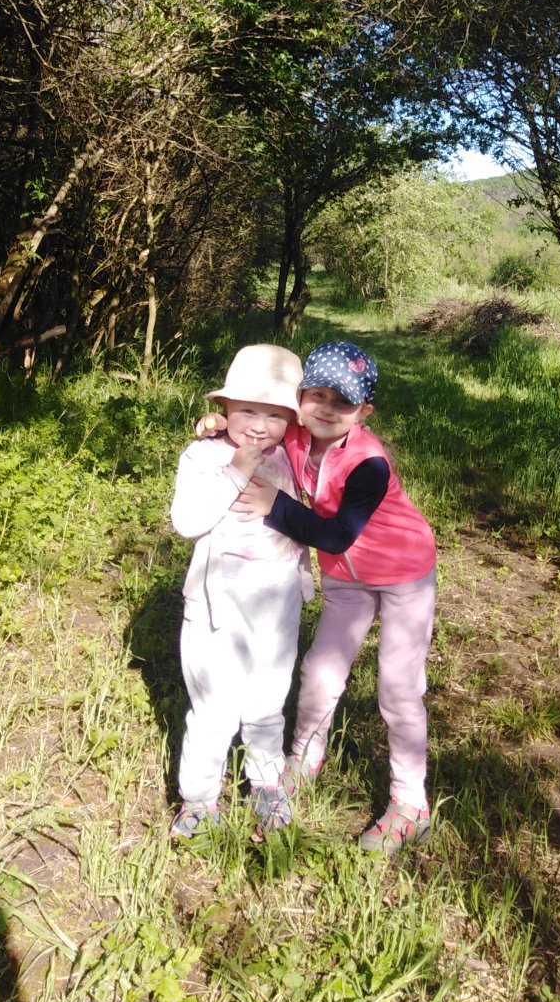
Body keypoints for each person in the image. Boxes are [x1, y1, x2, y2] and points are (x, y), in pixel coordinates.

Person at [235, 340, 437, 854]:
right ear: (300, 398)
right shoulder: (297, 433)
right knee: (320, 672)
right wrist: (216, 426)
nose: (326, 408)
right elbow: (257, 427)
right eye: (317, 395)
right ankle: (304, 761)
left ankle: (410, 804)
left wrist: (274, 505)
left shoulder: (369, 464)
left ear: (363, 412)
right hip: (347, 580)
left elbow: (337, 535)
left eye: (343, 401)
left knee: (398, 688)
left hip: (404, 574)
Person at [168, 343, 312, 839]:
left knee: (269, 700)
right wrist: (236, 469)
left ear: (292, 421)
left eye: (275, 415)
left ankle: (267, 784)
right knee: (214, 706)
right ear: (224, 407)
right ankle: (199, 799)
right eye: (247, 410)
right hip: (218, 606)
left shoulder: (292, 455)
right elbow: (188, 521)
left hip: (277, 599)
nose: (259, 426)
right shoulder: (204, 456)